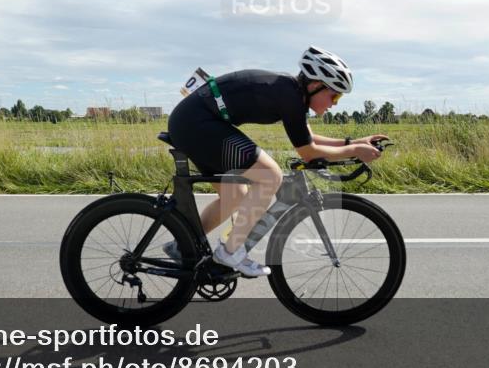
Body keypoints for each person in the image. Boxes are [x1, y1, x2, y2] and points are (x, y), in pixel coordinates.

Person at [163, 46, 387, 277]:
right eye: (334, 95)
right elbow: (308, 152)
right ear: (315, 85)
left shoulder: (291, 94)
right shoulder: (288, 95)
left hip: (194, 122)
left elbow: (309, 139)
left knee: (237, 194)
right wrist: (355, 150)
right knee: (270, 175)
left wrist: (355, 142)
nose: (335, 103)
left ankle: (183, 245)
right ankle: (230, 252)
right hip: (197, 123)